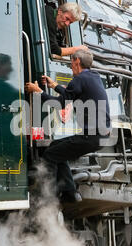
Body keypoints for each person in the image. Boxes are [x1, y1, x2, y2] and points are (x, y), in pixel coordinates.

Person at [25, 50, 111, 203]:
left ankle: (47, 198)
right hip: (102, 136)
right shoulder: (94, 77)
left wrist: (38, 91)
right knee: (57, 147)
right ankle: (70, 192)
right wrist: (55, 85)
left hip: (90, 136)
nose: (70, 66)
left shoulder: (78, 79)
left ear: (77, 61)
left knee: (50, 155)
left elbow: (59, 103)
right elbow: (71, 94)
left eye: (71, 62)